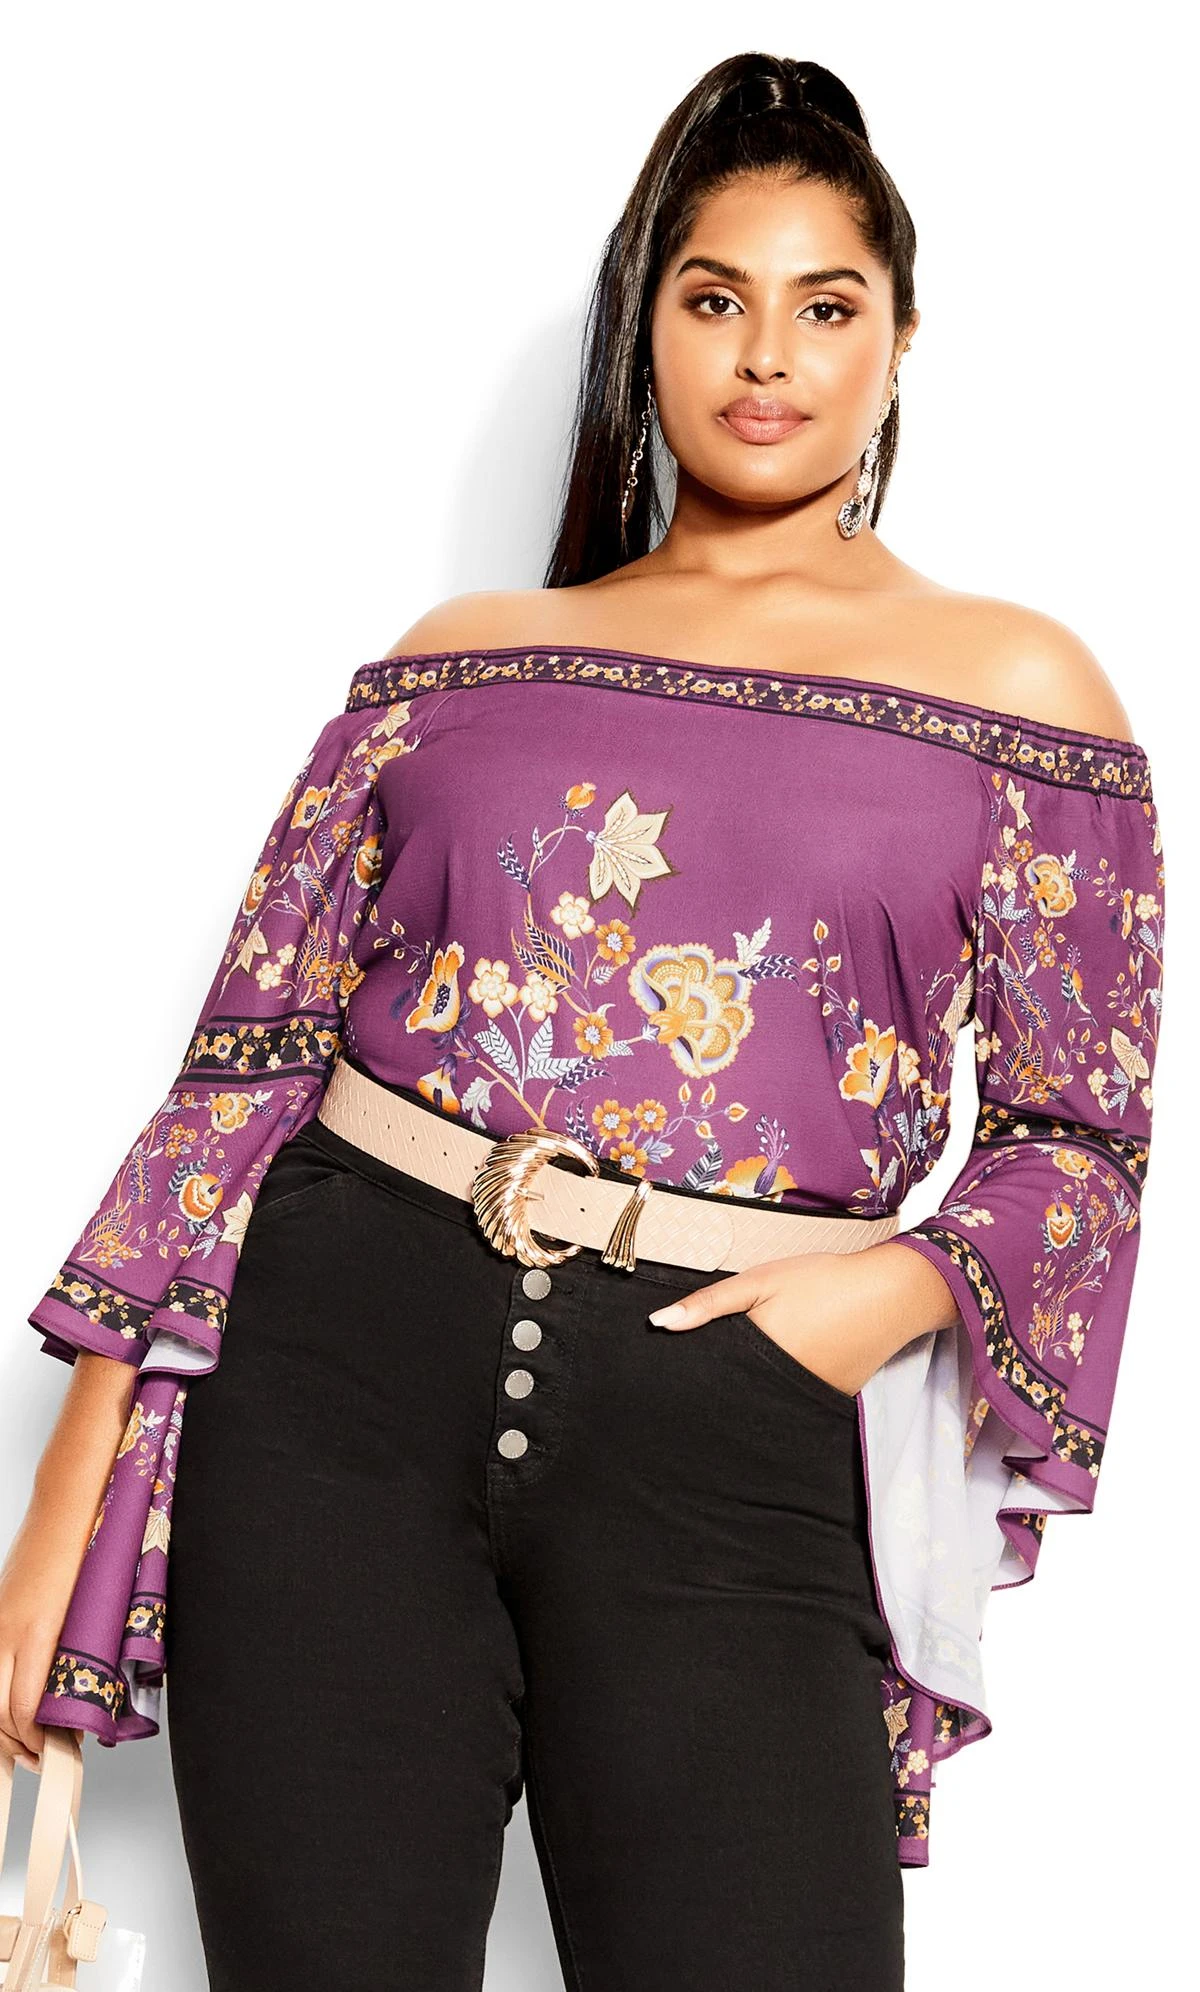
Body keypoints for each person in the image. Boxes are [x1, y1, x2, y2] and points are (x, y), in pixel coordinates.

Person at [0, 51, 1165, 1992]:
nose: (767, 357)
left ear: (901, 342)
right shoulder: (457, 665)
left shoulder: (1023, 691)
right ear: (647, 327)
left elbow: (1082, 1137)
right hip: (333, 1387)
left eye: (825, 307)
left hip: (733, 1424)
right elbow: (242, 1078)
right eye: (714, 299)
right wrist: (66, 1512)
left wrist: (862, 1307)